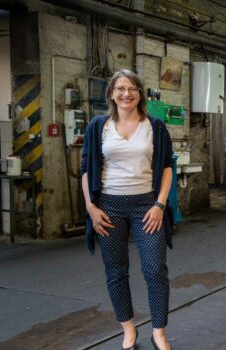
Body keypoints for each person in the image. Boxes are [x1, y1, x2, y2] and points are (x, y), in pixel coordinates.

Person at [81, 69, 174, 350]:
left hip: (147, 205)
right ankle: (128, 329)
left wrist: (160, 204)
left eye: (132, 88)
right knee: (116, 271)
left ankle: (158, 332)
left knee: (155, 269)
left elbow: (168, 167)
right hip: (108, 206)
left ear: (140, 94)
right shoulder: (98, 126)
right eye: (120, 88)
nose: (126, 93)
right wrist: (91, 208)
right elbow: (86, 169)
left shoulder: (155, 126)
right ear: (111, 94)